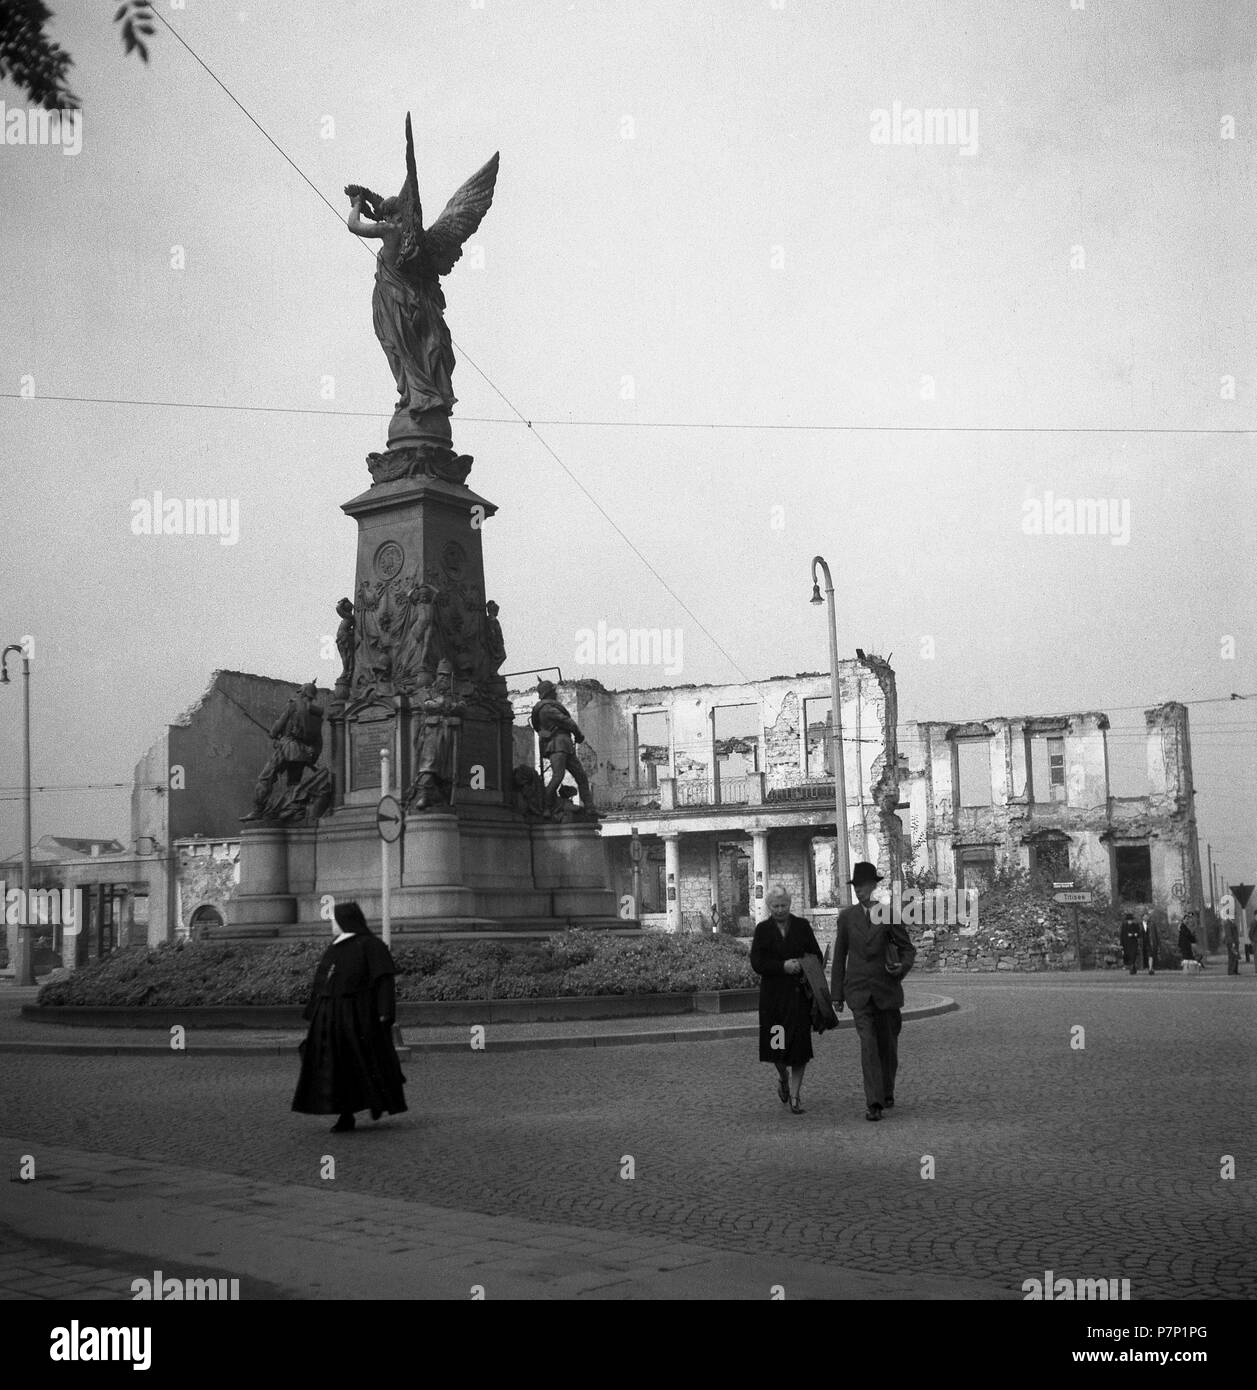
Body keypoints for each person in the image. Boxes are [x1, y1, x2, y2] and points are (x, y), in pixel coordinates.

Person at [292, 901, 407, 1133]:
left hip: (359, 1016)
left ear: (346, 921)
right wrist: (314, 1012)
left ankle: (375, 1102)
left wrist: (385, 1012)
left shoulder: (371, 945)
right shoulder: (335, 946)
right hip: (329, 1018)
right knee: (337, 1067)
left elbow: (384, 981)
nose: (333, 924)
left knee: (364, 1062)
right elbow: (323, 981)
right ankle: (345, 1113)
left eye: (335, 920)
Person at [830, 862, 916, 1122]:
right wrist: (837, 994)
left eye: (864, 886)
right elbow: (839, 955)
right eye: (856, 886)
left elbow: (907, 949)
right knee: (868, 1045)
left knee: (887, 1047)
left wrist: (901, 967)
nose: (860, 891)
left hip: (886, 990)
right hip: (858, 991)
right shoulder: (846, 918)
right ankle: (874, 1102)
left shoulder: (888, 915)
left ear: (874, 886)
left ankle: (887, 1089)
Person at [750, 885, 822, 1114]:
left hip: (798, 999)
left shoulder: (802, 927)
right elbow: (757, 963)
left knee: (799, 1049)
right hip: (774, 1002)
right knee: (777, 1050)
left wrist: (803, 964)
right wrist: (782, 966)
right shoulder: (762, 930)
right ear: (769, 907)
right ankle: (783, 1077)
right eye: (775, 906)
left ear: (790, 905)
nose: (780, 910)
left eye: (784, 905)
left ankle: (795, 1095)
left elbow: (817, 956)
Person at [531, 680, 595, 813]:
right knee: (558, 776)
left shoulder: (544, 708)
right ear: (548, 693)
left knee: (581, 777)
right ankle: (546, 806)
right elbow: (567, 722)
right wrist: (578, 735)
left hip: (563, 745)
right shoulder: (547, 709)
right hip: (557, 745)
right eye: (553, 691)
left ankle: (590, 808)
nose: (555, 693)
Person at [1139, 911, 1159, 975]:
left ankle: (1150, 968)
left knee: (1150, 955)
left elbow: (1156, 934)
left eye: (1147, 916)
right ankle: (1145, 967)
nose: (1146, 917)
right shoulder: (1139, 925)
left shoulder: (1152, 924)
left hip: (1150, 942)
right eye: (1145, 916)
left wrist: (1157, 942)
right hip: (1142, 943)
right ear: (1142, 917)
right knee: (1144, 956)